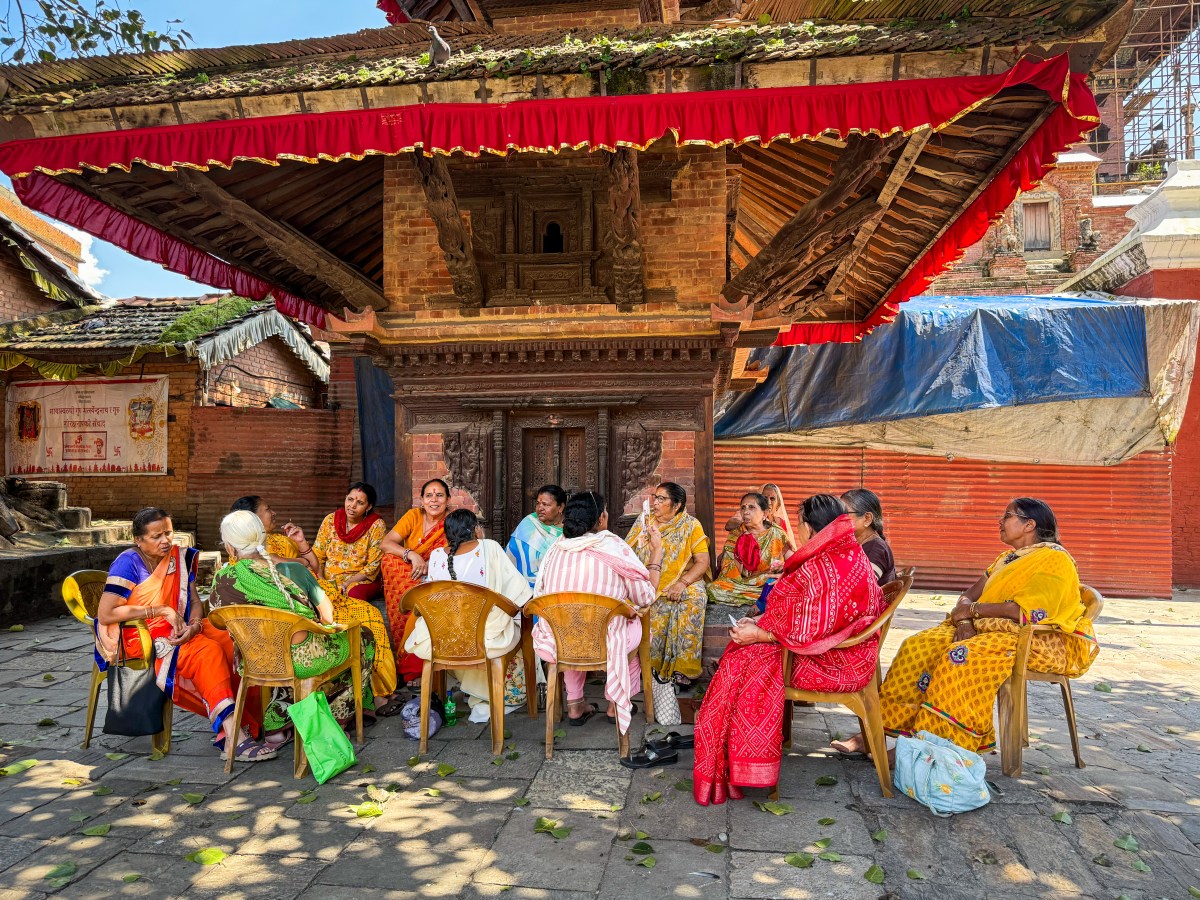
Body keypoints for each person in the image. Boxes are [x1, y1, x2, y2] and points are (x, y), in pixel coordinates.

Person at [833, 498, 1099, 757]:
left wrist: (971, 612)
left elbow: (1026, 612)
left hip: (1029, 638)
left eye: (1007, 516)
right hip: (984, 626)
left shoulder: (1055, 560)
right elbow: (969, 594)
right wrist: (963, 621)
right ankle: (877, 734)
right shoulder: (1006, 558)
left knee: (958, 658)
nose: (1000, 521)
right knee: (917, 645)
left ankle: (929, 748)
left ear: (1029, 525)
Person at [693, 495, 886, 806]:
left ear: (809, 528)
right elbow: (806, 616)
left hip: (836, 662)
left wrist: (759, 632)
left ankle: (733, 761)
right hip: (837, 650)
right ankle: (727, 756)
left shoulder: (828, 563)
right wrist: (758, 623)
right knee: (742, 651)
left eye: (800, 523)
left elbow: (810, 627)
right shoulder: (842, 552)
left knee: (741, 661)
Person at [95, 507, 275, 763]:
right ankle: (233, 736)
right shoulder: (128, 562)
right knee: (208, 652)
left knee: (232, 638)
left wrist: (194, 625)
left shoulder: (181, 558)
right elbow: (106, 614)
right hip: (142, 636)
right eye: (156, 536)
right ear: (138, 539)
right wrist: (160, 610)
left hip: (182, 625)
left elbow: (194, 600)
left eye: (168, 533)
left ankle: (253, 719)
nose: (166, 541)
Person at [209, 510, 377, 731]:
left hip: (254, 660)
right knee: (363, 637)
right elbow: (328, 617)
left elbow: (218, 621)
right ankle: (336, 715)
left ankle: (278, 723)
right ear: (264, 538)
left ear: (229, 547)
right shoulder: (293, 569)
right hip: (304, 659)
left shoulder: (222, 579)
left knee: (282, 650)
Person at [531, 491, 663, 739]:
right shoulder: (615, 548)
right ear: (601, 518)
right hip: (607, 643)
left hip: (559, 643)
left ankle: (574, 705)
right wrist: (656, 555)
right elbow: (645, 597)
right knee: (638, 627)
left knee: (571, 625)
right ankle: (616, 703)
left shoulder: (554, 552)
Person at [406, 509, 534, 723]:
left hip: (443, 638)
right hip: (486, 638)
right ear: (475, 529)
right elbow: (520, 594)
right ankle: (504, 693)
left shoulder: (437, 556)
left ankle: (468, 688)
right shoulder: (490, 547)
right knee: (518, 624)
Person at [305, 483, 398, 709]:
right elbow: (317, 555)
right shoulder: (330, 520)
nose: (352, 505)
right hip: (330, 581)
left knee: (353, 596)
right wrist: (321, 580)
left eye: (359, 502)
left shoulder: (376, 525)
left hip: (361, 580)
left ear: (369, 507)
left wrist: (348, 581)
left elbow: (374, 564)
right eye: (350, 499)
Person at [626, 482, 710, 688]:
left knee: (695, 597)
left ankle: (683, 669)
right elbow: (627, 552)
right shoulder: (644, 521)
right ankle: (648, 668)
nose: (655, 502)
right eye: (655, 497)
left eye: (662, 499)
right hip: (648, 582)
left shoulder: (691, 525)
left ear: (677, 505)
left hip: (682, 580)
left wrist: (682, 583)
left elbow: (702, 562)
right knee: (634, 602)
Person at [381, 478, 451, 685]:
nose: (434, 500)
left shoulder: (452, 522)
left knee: (425, 600)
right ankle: (407, 665)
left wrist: (433, 564)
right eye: (429, 495)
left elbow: (458, 552)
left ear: (448, 499)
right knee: (388, 560)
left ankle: (418, 669)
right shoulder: (413, 516)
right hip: (409, 573)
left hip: (437, 576)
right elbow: (386, 543)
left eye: (439, 495)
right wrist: (412, 555)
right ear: (421, 500)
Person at [708, 492, 788, 607]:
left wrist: (781, 573)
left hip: (765, 583)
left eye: (751, 507)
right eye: (743, 508)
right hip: (738, 584)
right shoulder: (736, 533)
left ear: (764, 513)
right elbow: (729, 570)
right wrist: (743, 546)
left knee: (778, 588)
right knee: (713, 589)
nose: (745, 512)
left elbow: (792, 561)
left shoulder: (777, 533)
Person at [229, 495, 315, 573]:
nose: (274, 513)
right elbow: (314, 573)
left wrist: (301, 542)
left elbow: (316, 573)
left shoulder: (237, 546)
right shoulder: (243, 548)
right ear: (253, 518)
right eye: (268, 509)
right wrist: (303, 562)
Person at [506, 484, 566, 590]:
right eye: (538, 503)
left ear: (560, 507)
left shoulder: (569, 530)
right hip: (521, 587)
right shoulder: (529, 522)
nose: (540, 508)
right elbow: (510, 556)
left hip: (554, 587)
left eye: (545, 504)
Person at [841, 489, 896, 585]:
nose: (838, 519)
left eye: (844, 514)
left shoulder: (875, 549)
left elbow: (861, 588)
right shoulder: (859, 544)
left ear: (867, 519)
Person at [725, 483, 797, 554]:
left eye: (772, 499)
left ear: (778, 505)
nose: (768, 502)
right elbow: (729, 525)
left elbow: (786, 547)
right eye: (765, 498)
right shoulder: (747, 514)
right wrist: (753, 523)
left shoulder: (780, 524)